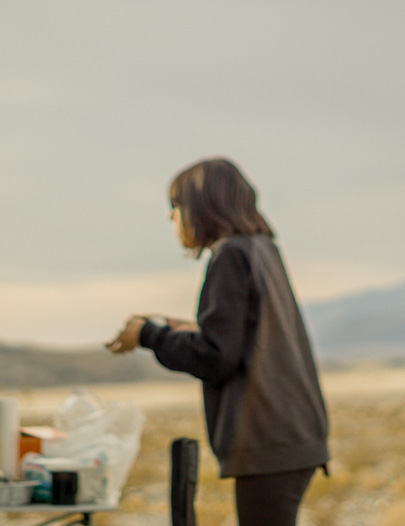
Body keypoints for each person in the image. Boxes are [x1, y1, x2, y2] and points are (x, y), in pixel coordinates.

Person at [108, 157, 330, 526]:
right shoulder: (262, 249)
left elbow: (214, 357)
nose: (171, 217)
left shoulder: (229, 255)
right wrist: (184, 331)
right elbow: (246, 339)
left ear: (203, 206)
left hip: (269, 440)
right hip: (295, 433)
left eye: (176, 206)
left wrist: (148, 334)